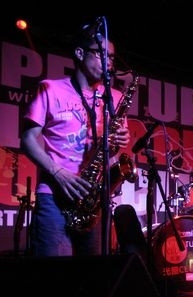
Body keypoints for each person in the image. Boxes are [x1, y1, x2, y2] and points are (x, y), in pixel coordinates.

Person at [20, 21, 130, 256]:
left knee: (91, 276)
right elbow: (28, 139)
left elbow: (113, 153)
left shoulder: (115, 98)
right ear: (79, 53)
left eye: (111, 57)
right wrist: (58, 173)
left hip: (92, 201)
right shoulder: (50, 89)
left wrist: (119, 143)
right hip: (54, 196)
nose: (109, 62)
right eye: (101, 54)